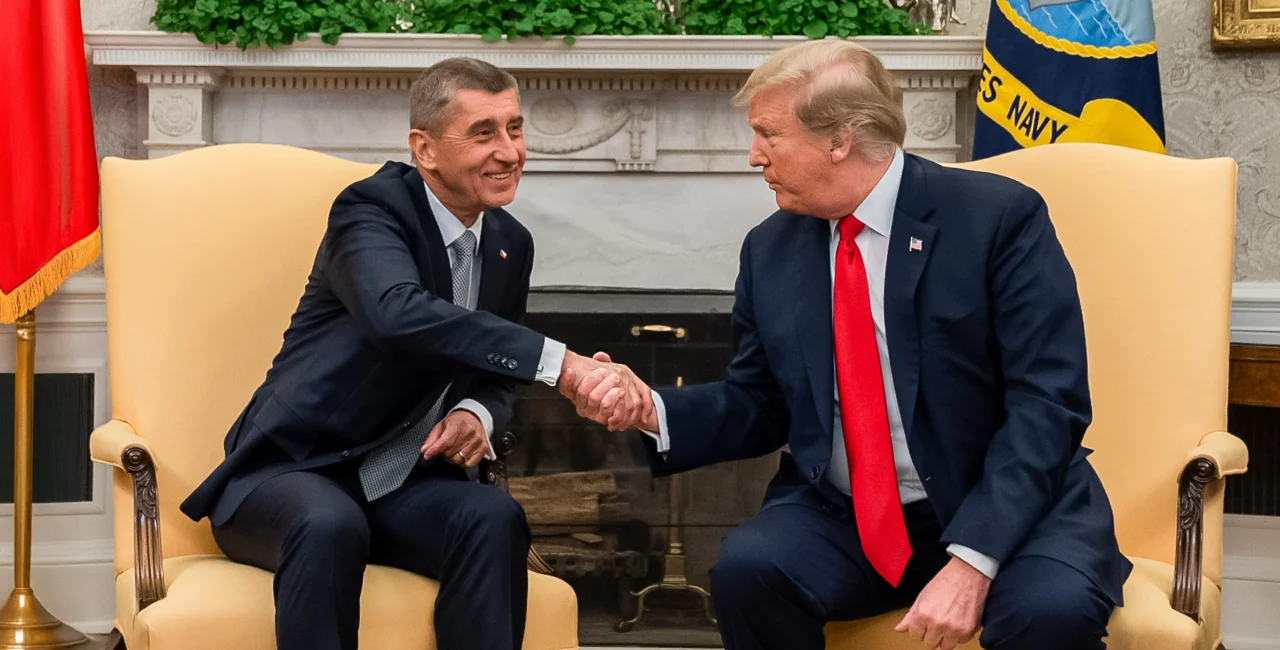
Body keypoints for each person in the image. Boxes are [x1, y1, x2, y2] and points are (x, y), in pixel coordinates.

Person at [567, 39, 1131, 650]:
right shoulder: (771, 248)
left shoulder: (998, 220)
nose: (754, 156)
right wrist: (652, 408)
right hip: (849, 517)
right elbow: (761, 402)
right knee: (748, 572)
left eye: (768, 133)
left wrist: (973, 560)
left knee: (1051, 614)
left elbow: (1047, 405)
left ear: (839, 140)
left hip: (1007, 508)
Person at [179, 57, 647, 650]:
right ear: (424, 149)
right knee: (330, 523)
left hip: (400, 484)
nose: (510, 151)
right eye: (484, 133)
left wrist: (475, 414)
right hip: (293, 470)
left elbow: (493, 377)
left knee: (493, 517)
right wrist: (564, 365)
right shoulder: (371, 210)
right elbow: (395, 313)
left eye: (516, 128)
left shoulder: (509, 243)